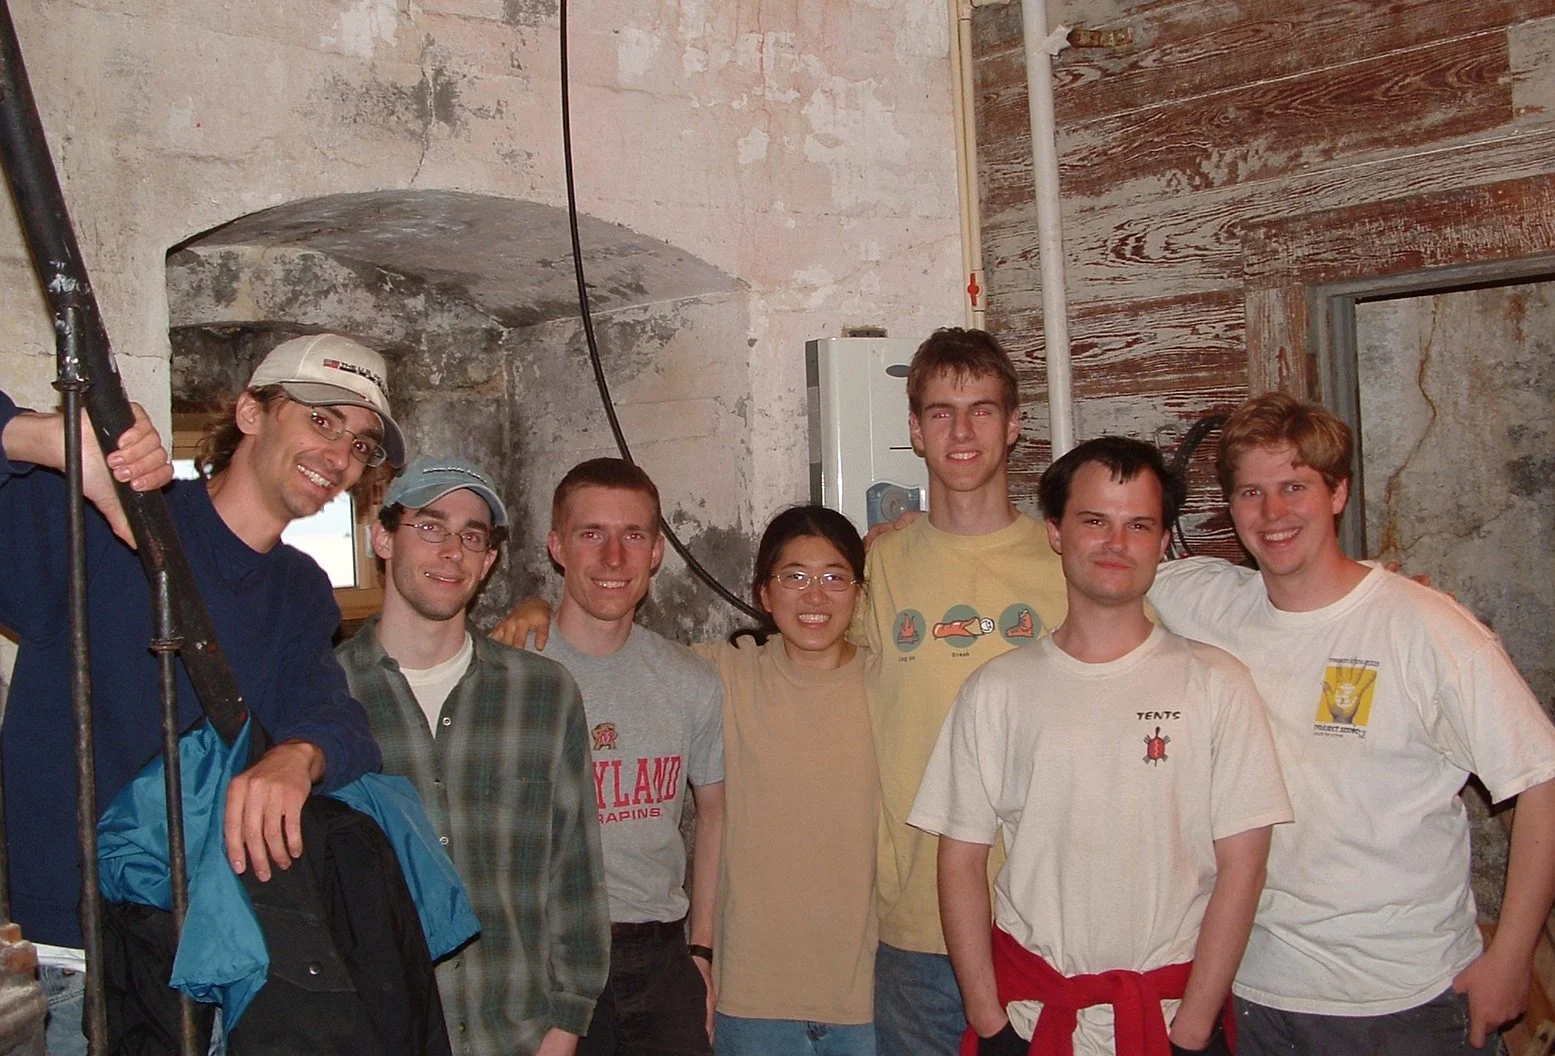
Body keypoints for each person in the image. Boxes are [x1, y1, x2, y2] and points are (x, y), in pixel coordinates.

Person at [0, 332, 399, 1053]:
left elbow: (336, 716)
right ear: (250, 411)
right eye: (321, 420)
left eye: (361, 445)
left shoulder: (299, 590)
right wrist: (45, 437)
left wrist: (301, 755)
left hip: (199, 955)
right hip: (66, 953)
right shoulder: (106, 519)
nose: (340, 457)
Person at [1148, 393, 1555, 1054]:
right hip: (1250, 989)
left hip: (1402, 998)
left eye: (1294, 487)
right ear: (1229, 507)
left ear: (1336, 493)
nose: (1273, 513)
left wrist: (1510, 956)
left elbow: (1541, 777)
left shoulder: (1423, 626)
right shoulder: (1204, 600)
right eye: (1251, 492)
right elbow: (1089, 562)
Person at [908, 436, 1291, 1056]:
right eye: (1095, 521)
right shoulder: (996, 690)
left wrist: (1192, 1032)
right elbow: (959, 860)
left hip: (1169, 1022)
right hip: (1034, 1022)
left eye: (1138, 524)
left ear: (1163, 541)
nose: (1117, 544)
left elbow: (1243, 867)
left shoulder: (1217, 682)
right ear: (1055, 532)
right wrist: (989, 1022)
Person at [494, 504, 882, 1056]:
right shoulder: (723, 672)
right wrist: (534, 607)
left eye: (834, 577)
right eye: (794, 576)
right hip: (747, 999)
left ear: (859, 592)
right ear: (764, 593)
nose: (814, 596)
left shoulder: (888, 683)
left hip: (867, 998)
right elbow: (612, 643)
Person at [335, 456, 611, 1056]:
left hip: (516, 1035)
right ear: (382, 537)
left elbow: (575, 875)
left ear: (488, 560)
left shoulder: (543, 692)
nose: (451, 551)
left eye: (471, 536)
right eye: (430, 526)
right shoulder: (326, 698)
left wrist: (565, 1029)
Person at [860, 328, 1068, 1055]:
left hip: (1048, 922)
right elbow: (781, 658)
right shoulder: (876, 568)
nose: (961, 430)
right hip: (917, 931)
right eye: (941, 412)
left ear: (1013, 425)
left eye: (981, 409)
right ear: (914, 431)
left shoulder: (1066, 559)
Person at [539, 458, 725, 1056]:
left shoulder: (689, 679)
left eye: (634, 535)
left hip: (661, 952)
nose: (614, 558)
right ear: (557, 546)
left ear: (657, 552)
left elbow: (715, 813)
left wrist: (700, 949)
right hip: (549, 952)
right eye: (592, 533)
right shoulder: (515, 673)